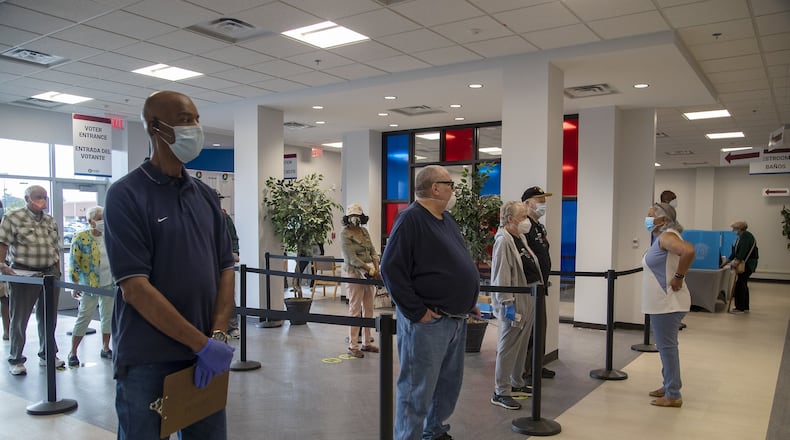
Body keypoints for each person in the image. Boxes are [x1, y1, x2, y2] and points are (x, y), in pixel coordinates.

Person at [104, 91, 235, 439]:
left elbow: (225, 268)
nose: (194, 127)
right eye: (183, 119)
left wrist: (216, 338)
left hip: (203, 356)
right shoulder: (126, 195)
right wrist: (201, 344)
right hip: (149, 357)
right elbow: (135, 289)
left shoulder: (206, 196)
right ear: (155, 127)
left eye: (195, 118)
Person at [380, 165, 480, 440]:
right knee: (416, 389)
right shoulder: (410, 219)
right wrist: (417, 311)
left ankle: (434, 430)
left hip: (454, 318)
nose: (453, 190)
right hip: (428, 322)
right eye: (450, 184)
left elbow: (454, 262)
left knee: (447, 385)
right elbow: (390, 268)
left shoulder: (446, 219)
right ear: (435, 187)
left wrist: (468, 299)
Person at [0, 185, 65, 375]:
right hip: (24, 273)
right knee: (20, 318)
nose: (42, 200)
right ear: (27, 198)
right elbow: (2, 243)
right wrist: (2, 265)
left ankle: (48, 355)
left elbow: (55, 249)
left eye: (44, 197)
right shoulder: (13, 217)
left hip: (50, 273)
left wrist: (58, 273)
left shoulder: (50, 220)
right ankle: (16, 359)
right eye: (38, 197)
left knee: (49, 318)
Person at [490, 201, 541, 410]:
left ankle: (516, 383)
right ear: (510, 219)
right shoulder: (503, 241)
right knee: (508, 345)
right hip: (513, 300)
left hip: (528, 296)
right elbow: (501, 274)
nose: (526, 221)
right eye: (522, 217)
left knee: (521, 343)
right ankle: (500, 391)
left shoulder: (518, 237)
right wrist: (506, 302)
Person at [642, 202, 694, 408]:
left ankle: (673, 393)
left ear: (663, 220)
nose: (646, 219)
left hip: (667, 304)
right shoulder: (662, 237)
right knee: (666, 348)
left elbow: (688, 251)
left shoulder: (666, 236)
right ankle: (669, 384)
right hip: (663, 304)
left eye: (650, 215)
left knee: (667, 348)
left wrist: (679, 277)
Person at [67, 206, 114, 366]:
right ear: (90, 221)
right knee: (84, 317)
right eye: (99, 218)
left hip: (109, 282)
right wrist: (75, 284)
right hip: (90, 284)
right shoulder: (80, 237)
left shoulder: (110, 236)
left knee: (107, 316)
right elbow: (74, 262)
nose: (103, 221)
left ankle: (106, 347)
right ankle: (73, 351)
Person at [521, 186, 556, 380]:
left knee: (541, 327)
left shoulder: (539, 226)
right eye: (540, 200)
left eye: (544, 200)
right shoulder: (524, 226)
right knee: (531, 330)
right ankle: (527, 370)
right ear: (527, 203)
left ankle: (537, 366)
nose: (544, 204)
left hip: (541, 285)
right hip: (530, 286)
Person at [340, 203, 379, 358]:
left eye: (357, 215)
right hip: (355, 273)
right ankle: (353, 344)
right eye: (351, 216)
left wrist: (376, 268)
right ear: (348, 218)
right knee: (355, 309)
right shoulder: (345, 234)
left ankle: (367, 342)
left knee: (369, 308)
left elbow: (373, 251)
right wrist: (369, 270)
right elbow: (351, 258)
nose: (354, 219)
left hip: (371, 273)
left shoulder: (364, 231)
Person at [216, 190, 241, 338]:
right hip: (207, 264)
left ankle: (232, 327)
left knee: (228, 296)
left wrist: (235, 252)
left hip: (224, 262)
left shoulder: (225, 218)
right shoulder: (201, 217)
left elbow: (234, 238)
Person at [724, 221, 759, 314]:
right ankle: (745, 307)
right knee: (743, 283)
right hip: (746, 263)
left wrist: (736, 262)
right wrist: (725, 263)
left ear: (740, 229)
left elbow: (742, 251)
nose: (733, 230)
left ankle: (740, 308)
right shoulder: (740, 237)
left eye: (734, 229)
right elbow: (734, 253)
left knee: (740, 284)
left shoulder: (746, 236)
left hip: (748, 264)